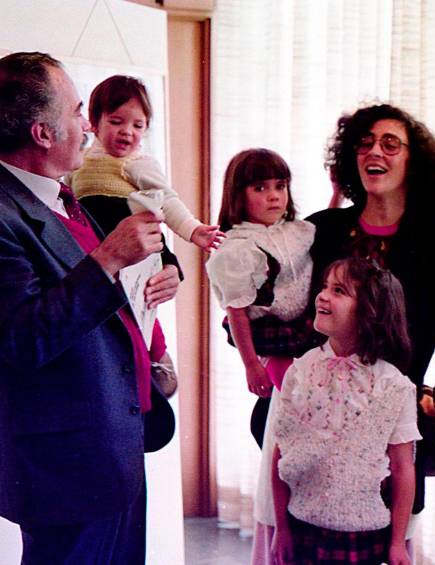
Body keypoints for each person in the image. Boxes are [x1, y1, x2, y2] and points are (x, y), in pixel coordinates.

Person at [0, 51, 175, 563]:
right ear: (42, 133)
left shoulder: (61, 195)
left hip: (116, 450)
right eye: (79, 112)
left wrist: (148, 279)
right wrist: (108, 259)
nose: (87, 125)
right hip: (68, 476)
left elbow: (91, 298)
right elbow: (20, 340)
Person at [308, 103, 435, 529]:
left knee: (393, 542)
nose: (375, 152)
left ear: (413, 160)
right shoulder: (324, 231)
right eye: (365, 143)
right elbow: (289, 311)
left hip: (399, 424)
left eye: (391, 144)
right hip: (319, 417)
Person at [204, 148, 315, 565]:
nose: (274, 196)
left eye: (280, 186)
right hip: (273, 343)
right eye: (261, 187)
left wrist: (337, 195)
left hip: (304, 337)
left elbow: (315, 237)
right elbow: (236, 310)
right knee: (284, 426)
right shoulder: (237, 246)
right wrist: (251, 364)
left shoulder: (294, 231)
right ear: (239, 194)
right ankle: (280, 530)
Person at [270, 257, 420, 565]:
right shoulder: (300, 372)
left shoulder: (394, 385)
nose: (322, 295)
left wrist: (397, 543)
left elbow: (404, 469)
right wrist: (281, 529)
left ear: (371, 311)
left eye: (338, 290)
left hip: (363, 535)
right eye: (324, 286)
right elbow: (281, 455)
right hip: (302, 528)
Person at [70, 74, 223, 251]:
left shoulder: (138, 164)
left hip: (133, 252)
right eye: (116, 122)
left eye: (138, 125)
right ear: (94, 123)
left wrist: (193, 229)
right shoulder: (79, 160)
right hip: (91, 251)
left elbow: (166, 200)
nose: (127, 131)